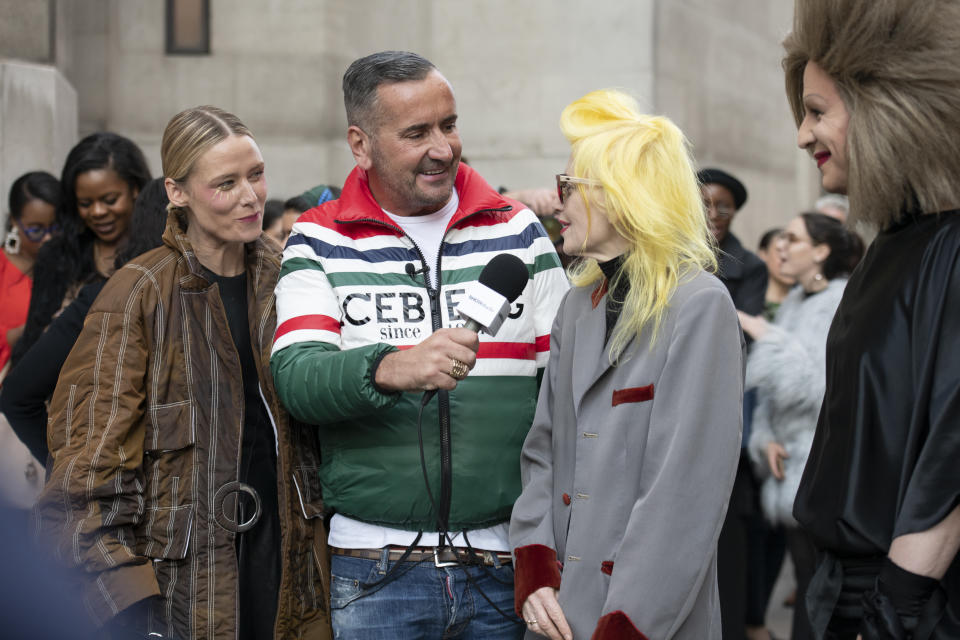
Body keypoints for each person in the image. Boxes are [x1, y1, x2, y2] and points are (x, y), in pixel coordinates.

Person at [271, 51, 569, 638]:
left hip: (506, 562)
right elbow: (297, 380)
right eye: (416, 133)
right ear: (361, 144)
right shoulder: (317, 236)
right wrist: (392, 367)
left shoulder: (518, 231)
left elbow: (565, 389)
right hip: (373, 567)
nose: (442, 148)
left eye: (448, 125)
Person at [33, 106, 331, 639]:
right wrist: (127, 610)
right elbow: (86, 482)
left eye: (256, 175)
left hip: (291, 577)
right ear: (178, 192)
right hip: (181, 593)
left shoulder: (294, 282)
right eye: (226, 182)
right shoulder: (136, 295)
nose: (250, 196)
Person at [509, 89, 743, 640]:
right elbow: (543, 449)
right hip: (557, 615)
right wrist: (536, 571)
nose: (556, 202)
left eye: (569, 187)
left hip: (645, 621)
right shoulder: (576, 305)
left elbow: (684, 495)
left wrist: (627, 624)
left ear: (618, 196)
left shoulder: (699, 304)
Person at [784, 1, 960, 638]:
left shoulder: (951, 247)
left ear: (886, 109)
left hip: (902, 596)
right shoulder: (894, 242)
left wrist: (898, 603)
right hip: (841, 587)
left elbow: (952, 447)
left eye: (817, 111)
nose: (802, 135)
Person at [739, 213, 863, 640]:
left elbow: (817, 386)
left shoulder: (843, 301)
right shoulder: (796, 300)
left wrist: (766, 335)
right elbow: (771, 391)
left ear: (822, 252)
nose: (782, 247)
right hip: (789, 469)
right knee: (809, 590)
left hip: (821, 472)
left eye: (794, 238)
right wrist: (765, 439)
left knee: (822, 598)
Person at [1, 177, 169, 464]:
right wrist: (69, 471)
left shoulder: (235, 295)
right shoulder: (104, 299)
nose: (99, 212)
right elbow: (18, 397)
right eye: (86, 203)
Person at [698, 166, 769, 640]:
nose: (716, 213)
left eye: (726, 206)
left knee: (730, 537)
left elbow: (744, 333)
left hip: (726, 407)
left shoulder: (747, 264)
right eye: (708, 202)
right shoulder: (678, 250)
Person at [11, 132, 151, 365]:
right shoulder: (58, 255)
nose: (97, 212)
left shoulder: (159, 251)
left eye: (109, 199)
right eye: (85, 203)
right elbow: (32, 345)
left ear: (135, 189)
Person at [1, 171, 60, 375]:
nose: (47, 239)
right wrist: (30, 330)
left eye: (55, 229)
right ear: (14, 222)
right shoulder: (3, 267)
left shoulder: (67, 267)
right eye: (36, 230)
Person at [757, 227, 794, 320]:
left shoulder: (806, 301)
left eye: (793, 253)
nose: (787, 259)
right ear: (763, 254)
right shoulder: (746, 298)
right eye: (780, 251)